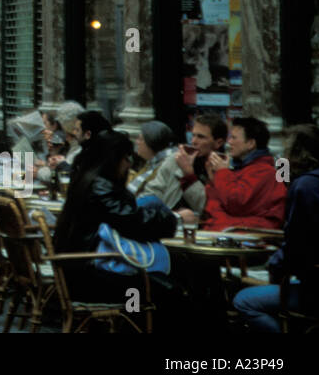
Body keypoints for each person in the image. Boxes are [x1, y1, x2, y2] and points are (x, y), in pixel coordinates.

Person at [52, 130, 182, 322]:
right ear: (115, 159)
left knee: (172, 274)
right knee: (164, 289)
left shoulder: (86, 180)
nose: (129, 164)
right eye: (126, 158)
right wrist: (172, 219)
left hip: (77, 272)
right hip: (92, 280)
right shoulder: (100, 187)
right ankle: (133, 322)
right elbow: (132, 222)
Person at [232, 125, 319, 332]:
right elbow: (283, 187)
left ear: (296, 153)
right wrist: (284, 169)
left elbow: (298, 244)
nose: (281, 156)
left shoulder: (305, 186)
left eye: (285, 151)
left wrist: (274, 268)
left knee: (243, 300)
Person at [186, 116, 286, 231]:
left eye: (234, 138)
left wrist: (222, 172)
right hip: (225, 231)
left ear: (250, 143)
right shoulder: (241, 169)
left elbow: (235, 204)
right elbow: (212, 206)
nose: (229, 143)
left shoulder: (265, 172)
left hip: (243, 236)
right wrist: (214, 180)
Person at [125, 120, 179, 204]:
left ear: (151, 142)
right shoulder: (153, 162)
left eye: (140, 139)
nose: (137, 142)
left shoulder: (164, 165)